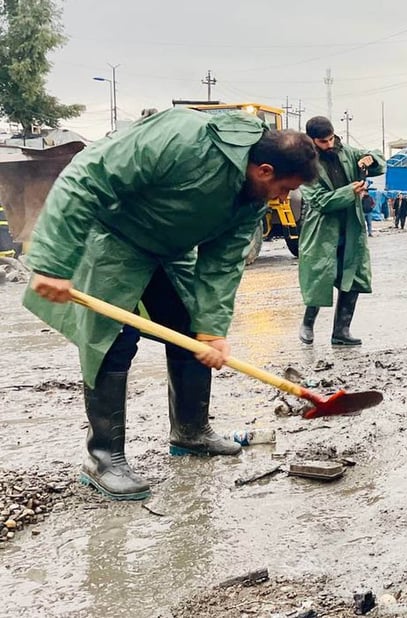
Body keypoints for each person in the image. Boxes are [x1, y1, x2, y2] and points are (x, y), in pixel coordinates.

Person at [22, 108, 318, 501]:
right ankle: (102, 457)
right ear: (264, 169)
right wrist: (53, 261)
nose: (283, 198)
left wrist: (212, 330)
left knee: (190, 332)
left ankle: (190, 432)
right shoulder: (183, 137)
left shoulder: (251, 198)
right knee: (111, 341)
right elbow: (87, 175)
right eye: (284, 188)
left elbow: (223, 262)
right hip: (115, 237)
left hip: (171, 250)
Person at [297, 117, 385, 347]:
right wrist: (349, 192)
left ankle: (341, 331)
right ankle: (307, 324)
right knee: (320, 275)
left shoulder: (346, 151)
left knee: (353, 276)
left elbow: (377, 159)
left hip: (351, 225)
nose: (329, 144)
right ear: (312, 140)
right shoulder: (304, 163)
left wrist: (371, 158)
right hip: (323, 229)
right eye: (323, 141)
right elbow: (320, 201)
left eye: (331, 138)